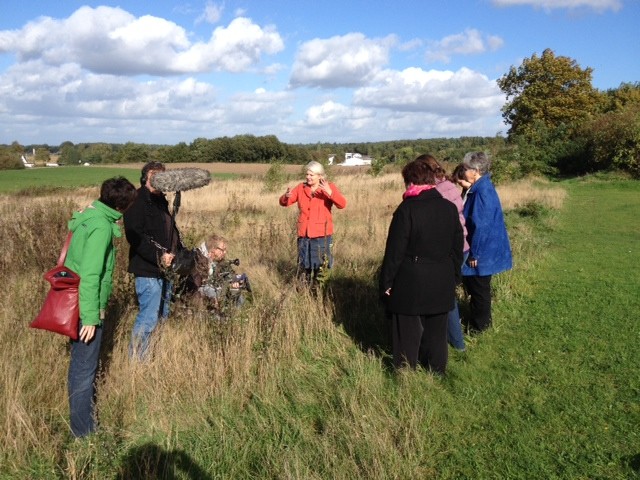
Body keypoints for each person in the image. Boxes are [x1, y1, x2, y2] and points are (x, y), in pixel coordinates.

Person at [65, 176, 137, 437]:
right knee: (84, 371)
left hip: (74, 303)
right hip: (87, 307)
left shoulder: (90, 214)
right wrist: (90, 318)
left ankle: (82, 425)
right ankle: (83, 434)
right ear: (124, 206)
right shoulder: (102, 227)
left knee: (79, 367)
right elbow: (91, 275)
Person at [379, 160, 463, 374]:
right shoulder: (449, 207)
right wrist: (454, 276)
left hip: (411, 280)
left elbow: (395, 252)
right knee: (437, 331)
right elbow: (457, 246)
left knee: (407, 331)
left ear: (410, 182)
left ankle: (406, 372)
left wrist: (386, 282)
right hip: (442, 277)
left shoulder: (406, 209)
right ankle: (437, 370)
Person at [124, 161, 183, 360]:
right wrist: (159, 257)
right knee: (148, 318)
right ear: (145, 177)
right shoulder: (137, 200)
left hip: (165, 269)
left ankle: (153, 355)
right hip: (148, 271)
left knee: (162, 314)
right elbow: (135, 237)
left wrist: (178, 252)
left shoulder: (160, 200)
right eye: (154, 175)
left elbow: (168, 230)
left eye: (162, 175)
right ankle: (138, 363)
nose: (159, 178)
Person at [415, 154, 469, 352]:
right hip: (463, 246)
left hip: (451, 249)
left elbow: (439, 225)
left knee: (447, 298)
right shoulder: (449, 185)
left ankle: (456, 344)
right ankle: (450, 341)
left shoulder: (436, 191)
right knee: (447, 295)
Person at [461, 152, 513, 332]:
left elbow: (481, 226)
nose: (464, 171)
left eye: (466, 168)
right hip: (485, 248)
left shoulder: (482, 192)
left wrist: (475, 253)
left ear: (475, 171)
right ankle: (481, 323)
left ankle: (480, 327)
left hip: (482, 251)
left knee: (479, 290)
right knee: (478, 288)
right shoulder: (482, 187)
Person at [279, 161, 346, 282]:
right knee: (304, 265)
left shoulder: (328, 187)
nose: (308, 177)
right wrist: (286, 196)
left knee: (321, 266)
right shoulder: (301, 187)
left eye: (311, 175)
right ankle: (304, 291)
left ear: (320, 176)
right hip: (304, 234)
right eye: (307, 174)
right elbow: (284, 203)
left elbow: (342, 204)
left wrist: (330, 192)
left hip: (322, 235)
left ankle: (319, 290)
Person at [194, 234, 250, 309]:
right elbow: (201, 283)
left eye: (225, 250)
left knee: (239, 297)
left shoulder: (220, 261)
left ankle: (232, 317)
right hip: (199, 291)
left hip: (215, 289)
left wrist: (235, 281)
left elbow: (229, 273)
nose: (225, 252)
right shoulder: (199, 259)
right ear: (214, 249)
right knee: (212, 292)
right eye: (222, 250)